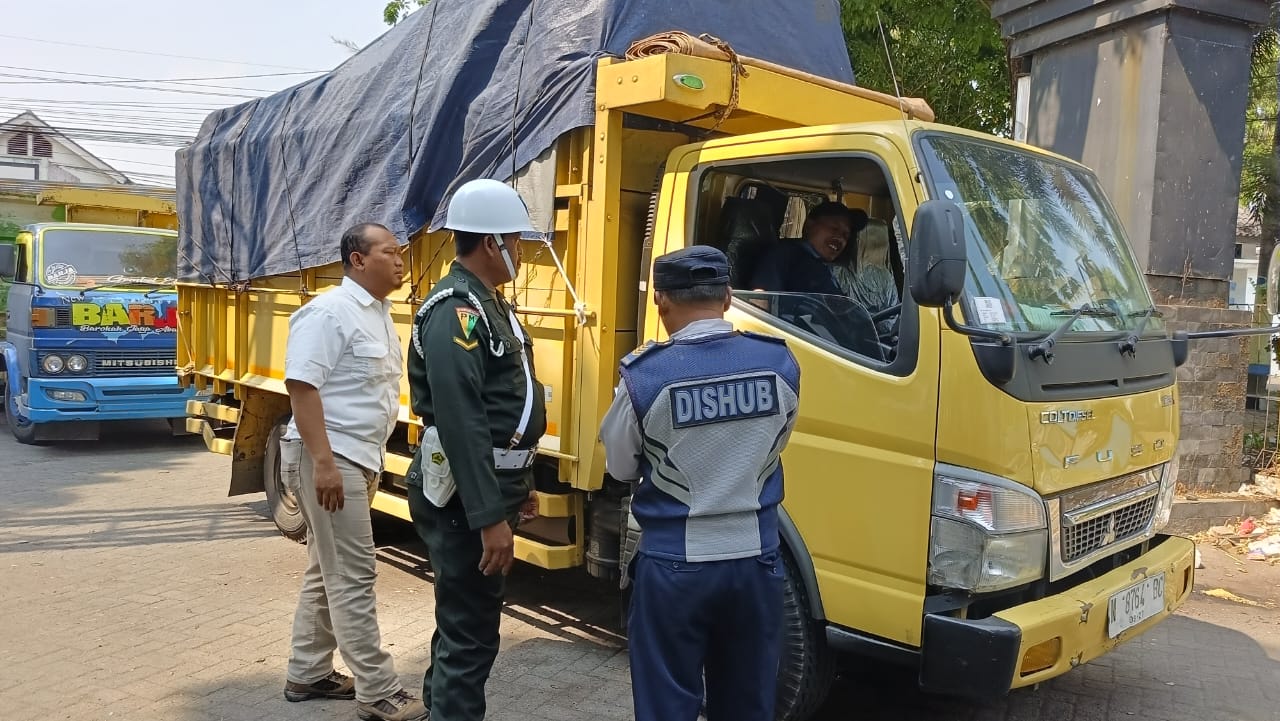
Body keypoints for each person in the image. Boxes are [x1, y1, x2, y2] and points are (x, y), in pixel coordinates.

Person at [598, 245, 802, 721]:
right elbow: (775, 443)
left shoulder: (645, 377)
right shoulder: (781, 365)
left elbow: (620, 467)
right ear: (728, 296)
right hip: (757, 563)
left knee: (667, 704)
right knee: (748, 703)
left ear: (661, 301)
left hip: (674, 568)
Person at [404, 178, 546, 721]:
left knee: (462, 622)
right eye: (516, 238)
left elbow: (506, 407)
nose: (521, 249)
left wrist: (520, 486)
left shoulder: (489, 304)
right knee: (472, 634)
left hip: (488, 484)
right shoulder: (456, 310)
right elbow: (462, 419)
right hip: (465, 497)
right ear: (491, 243)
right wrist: (491, 517)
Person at [279, 222, 427, 721]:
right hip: (332, 457)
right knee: (354, 575)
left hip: (359, 456)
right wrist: (323, 464)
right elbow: (302, 388)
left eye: (401, 251)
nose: (401, 259)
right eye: (390, 252)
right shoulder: (329, 312)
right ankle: (378, 690)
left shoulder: (379, 313)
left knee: (328, 571)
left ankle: (308, 672)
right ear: (358, 260)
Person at [748, 200, 865, 296]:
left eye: (846, 235)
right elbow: (760, 298)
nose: (840, 239)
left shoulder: (824, 267)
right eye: (834, 229)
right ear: (809, 225)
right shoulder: (783, 255)